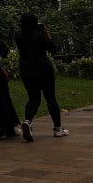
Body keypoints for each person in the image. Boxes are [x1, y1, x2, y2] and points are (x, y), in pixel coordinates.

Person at [14, 13, 68, 141]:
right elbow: (53, 49)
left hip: (26, 69)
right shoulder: (40, 35)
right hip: (43, 68)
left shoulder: (19, 36)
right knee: (50, 98)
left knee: (33, 98)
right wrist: (47, 35)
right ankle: (58, 128)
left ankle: (27, 121)